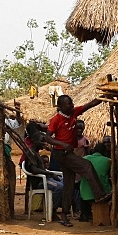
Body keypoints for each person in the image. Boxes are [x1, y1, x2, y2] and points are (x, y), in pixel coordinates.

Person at [45, 95, 108, 226]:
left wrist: (104, 97)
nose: (72, 105)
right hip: (61, 153)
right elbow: (48, 138)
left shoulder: (73, 113)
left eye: (72, 103)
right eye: (69, 104)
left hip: (68, 152)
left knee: (69, 184)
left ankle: (64, 215)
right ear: (60, 107)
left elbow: (89, 104)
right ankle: (99, 195)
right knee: (87, 165)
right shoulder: (56, 120)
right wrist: (62, 144)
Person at [78, 141, 112, 221]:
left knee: (83, 187)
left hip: (85, 194)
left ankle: (85, 215)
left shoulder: (85, 159)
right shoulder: (108, 161)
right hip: (103, 193)